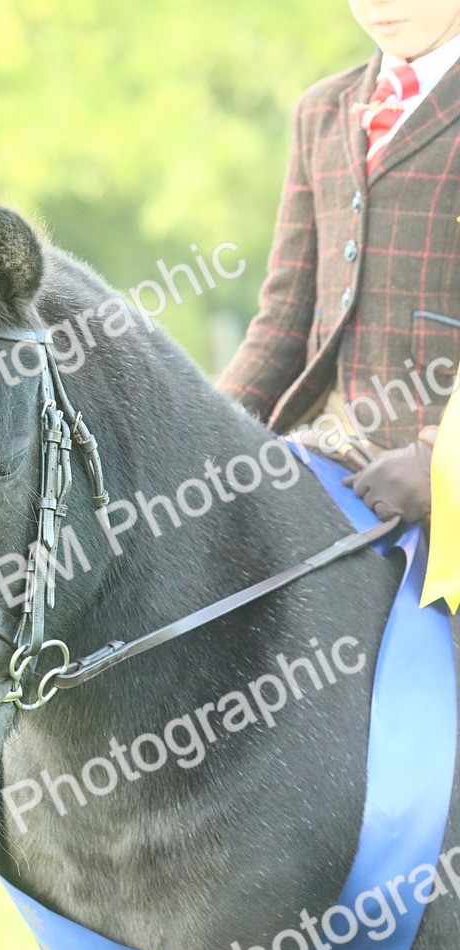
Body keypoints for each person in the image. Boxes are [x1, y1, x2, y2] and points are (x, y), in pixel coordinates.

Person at [218, 0, 460, 558]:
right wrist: (192, 430)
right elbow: (282, 322)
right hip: (317, 455)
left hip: (425, 469)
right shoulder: (321, 110)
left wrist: (441, 462)